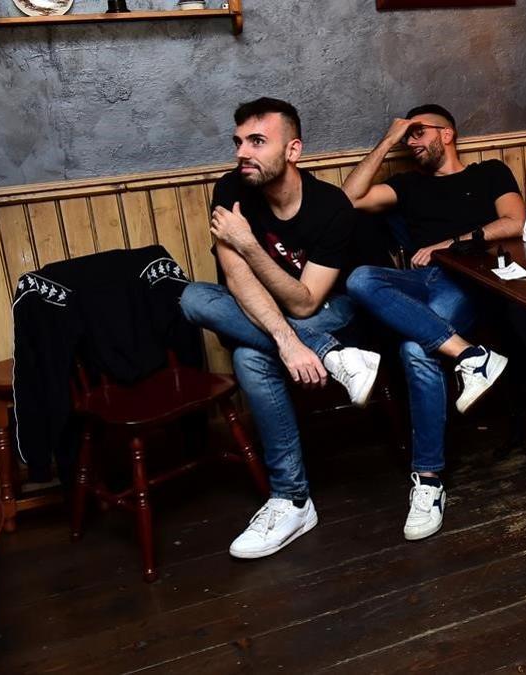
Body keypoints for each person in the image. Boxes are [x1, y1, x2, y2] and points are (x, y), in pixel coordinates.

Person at [180, 97, 380, 559]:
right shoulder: (232, 188)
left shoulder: (331, 206)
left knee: (251, 355)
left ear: (293, 151)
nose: (241, 153)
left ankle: (291, 498)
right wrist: (288, 343)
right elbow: (235, 279)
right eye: (237, 142)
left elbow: (307, 302)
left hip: (335, 311)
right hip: (284, 324)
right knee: (193, 298)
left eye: (256, 142)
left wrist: (248, 242)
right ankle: (333, 359)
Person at [342, 103, 522, 541]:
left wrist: (449, 242)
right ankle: (472, 356)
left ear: (448, 134)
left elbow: (514, 221)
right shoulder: (407, 185)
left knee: (413, 348)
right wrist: (388, 140)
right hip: (419, 279)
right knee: (360, 278)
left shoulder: (489, 173)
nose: (413, 143)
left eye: (420, 133)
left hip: (467, 278)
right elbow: (348, 199)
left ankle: (428, 480)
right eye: (409, 138)